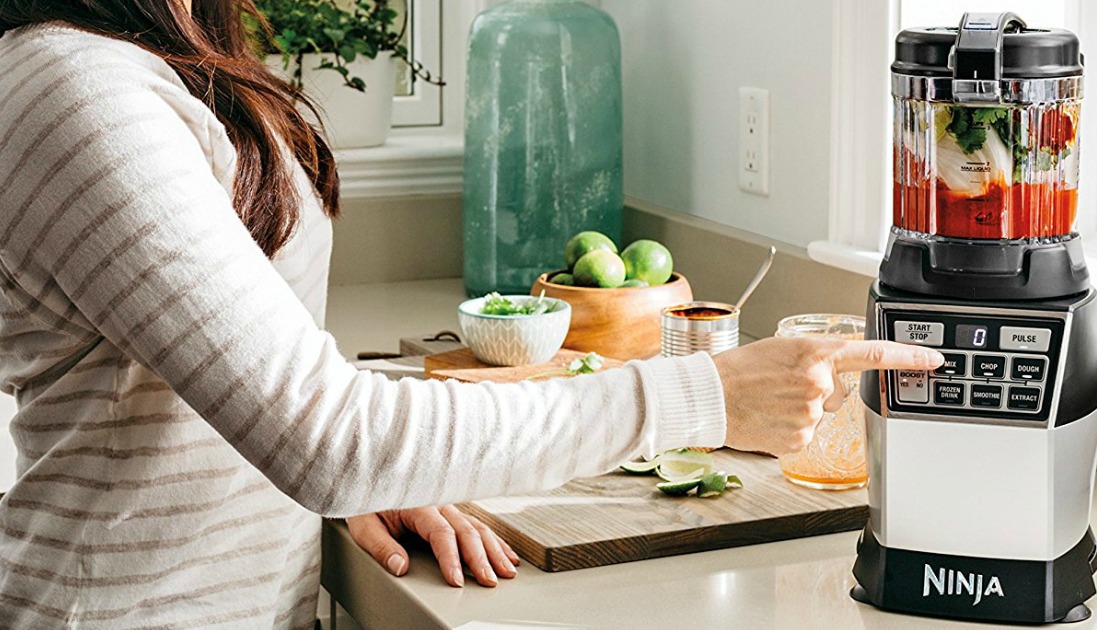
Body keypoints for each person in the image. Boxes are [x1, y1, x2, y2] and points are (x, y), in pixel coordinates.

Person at [0, 1, 942, 627]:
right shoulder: (72, 88)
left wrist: (383, 465)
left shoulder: (159, 60)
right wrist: (702, 396)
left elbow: (252, 380)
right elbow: (327, 436)